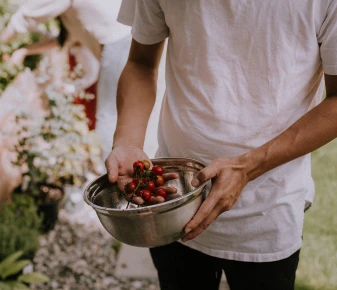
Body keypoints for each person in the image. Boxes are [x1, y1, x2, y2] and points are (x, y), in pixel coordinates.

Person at [105, 0, 337, 289]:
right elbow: (140, 61)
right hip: (171, 200)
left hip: (266, 209)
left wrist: (247, 168)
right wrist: (128, 140)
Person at [1, 0, 132, 160]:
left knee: (107, 115)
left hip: (118, 42)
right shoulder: (72, 15)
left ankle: (109, 172)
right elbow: (62, 40)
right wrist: (24, 51)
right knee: (115, 113)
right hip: (119, 41)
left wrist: (3, 40)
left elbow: (27, 16)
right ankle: (116, 166)